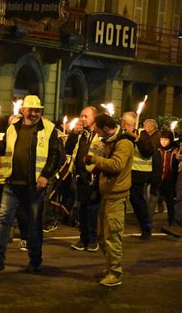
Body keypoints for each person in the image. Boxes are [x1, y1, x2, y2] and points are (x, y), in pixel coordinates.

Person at [0, 95, 60, 273]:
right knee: (3, 221)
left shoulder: (48, 129)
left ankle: (34, 260)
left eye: (37, 110)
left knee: (33, 223)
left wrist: (46, 175)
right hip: (12, 183)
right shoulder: (13, 128)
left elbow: (56, 155)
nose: (34, 113)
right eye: (31, 110)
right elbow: (7, 151)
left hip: (34, 186)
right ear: (22, 110)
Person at [85, 113, 134, 287]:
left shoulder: (124, 143)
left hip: (117, 196)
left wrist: (94, 159)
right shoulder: (109, 141)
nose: (97, 135)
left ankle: (115, 273)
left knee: (112, 236)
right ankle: (109, 267)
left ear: (106, 128)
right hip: (106, 194)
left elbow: (116, 165)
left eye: (98, 130)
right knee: (102, 236)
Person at [67, 106, 103, 252]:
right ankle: (83, 239)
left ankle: (93, 240)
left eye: (85, 116)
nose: (82, 119)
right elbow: (69, 148)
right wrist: (73, 134)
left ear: (94, 117)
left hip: (93, 177)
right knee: (81, 208)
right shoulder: (81, 134)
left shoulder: (99, 134)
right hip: (80, 176)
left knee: (92, 210)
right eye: (81, 116)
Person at [121, 112, 154, 239]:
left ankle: (146, 227)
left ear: (133, 124)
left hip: (138, 174)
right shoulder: (122, 134)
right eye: (124, 122)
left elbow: (148, 151)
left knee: (137, 201)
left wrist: (137, 139)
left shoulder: (142, 133)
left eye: (127, 123)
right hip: (125, 172)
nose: (124, 125)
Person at [157, 130, 179, 226]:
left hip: (170, 180)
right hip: (158, 179)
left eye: (166, 140)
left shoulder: (175, 151)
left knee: (170, 201)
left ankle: (171, 219)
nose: (163, 142)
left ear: (170, 140)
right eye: (161, 140)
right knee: (153, 198)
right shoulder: (158, 151)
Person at [143, 118, 162, 215]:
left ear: (151, 127)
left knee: (152, 192)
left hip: (153, 169)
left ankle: (148, 215)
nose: (143, 128)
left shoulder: (155, 138)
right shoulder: (155, 136)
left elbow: (152, 153)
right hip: (153, 169)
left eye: (145, 126)